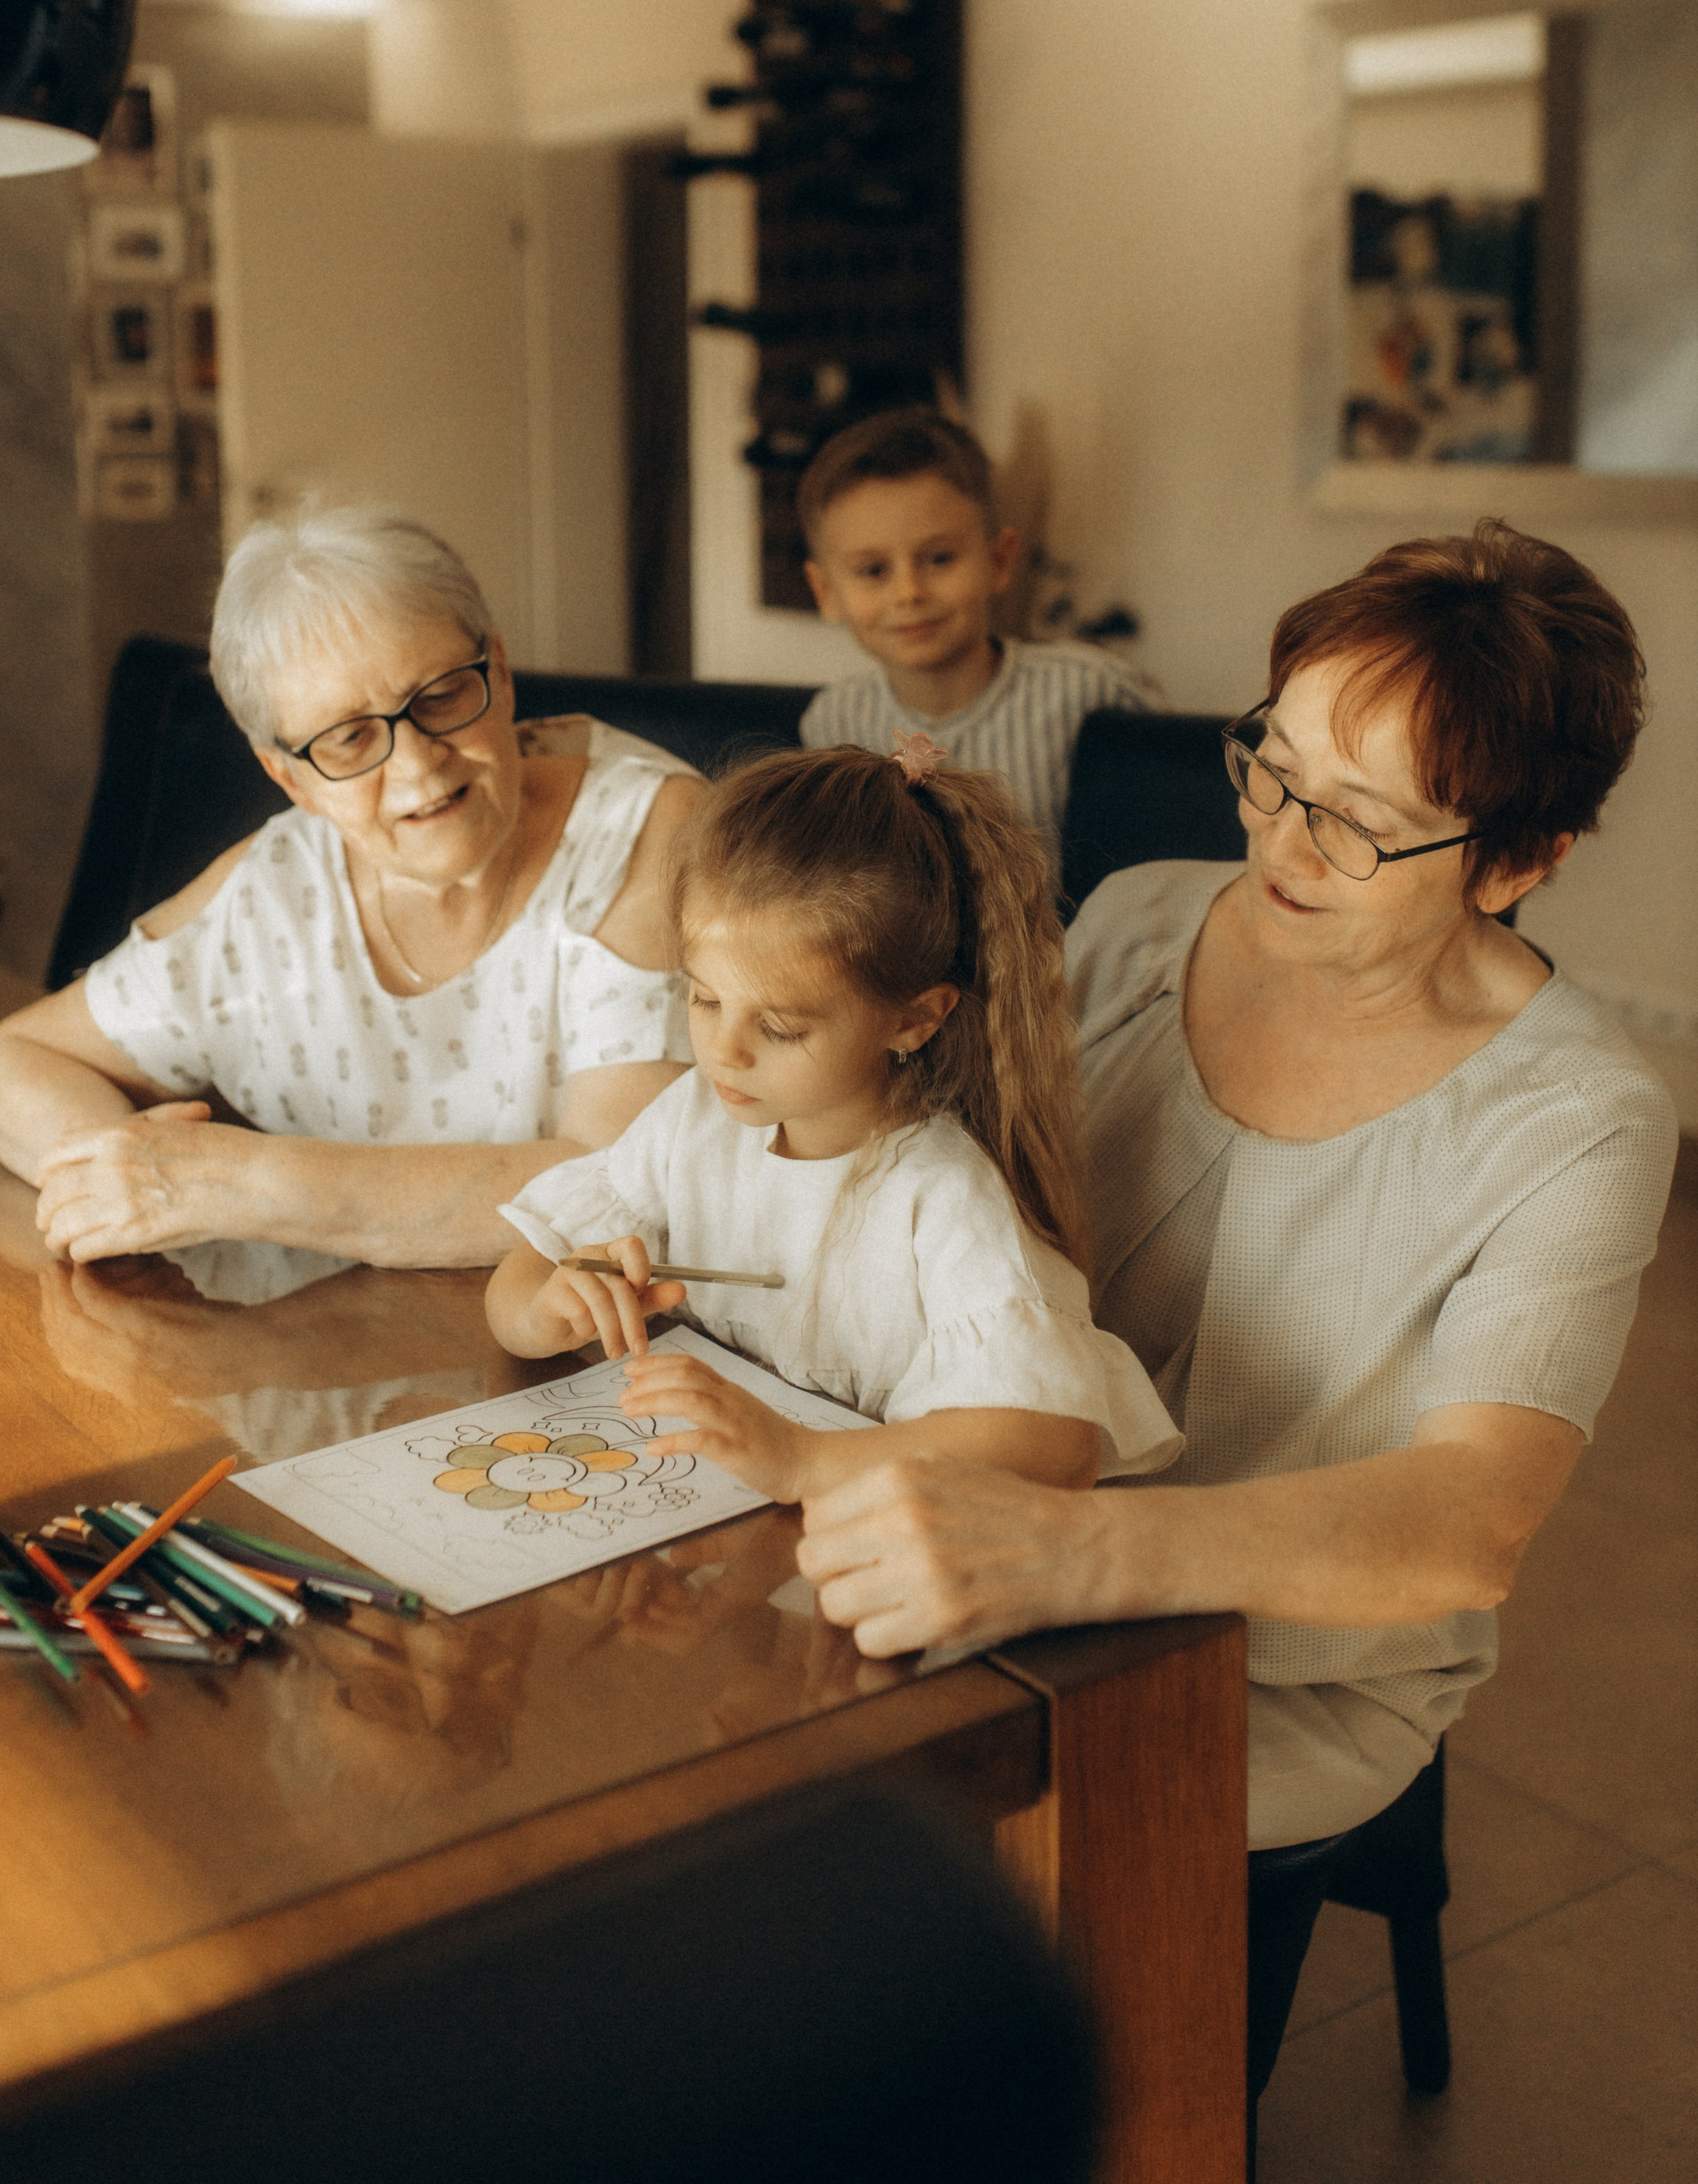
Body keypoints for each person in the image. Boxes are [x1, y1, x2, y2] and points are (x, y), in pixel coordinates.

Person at [793, 522, 1679, 2111]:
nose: (1277, 840)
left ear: (1520, 858)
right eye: (1271, 765)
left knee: (942, 1999)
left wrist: (1061, 1554)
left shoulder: (1579, 1119)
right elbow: (943, 1187)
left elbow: (1462, 1525)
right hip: (1002, 1529)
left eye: (1357, 824)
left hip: (1276, 1674)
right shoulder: (1139, 919)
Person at [0, 504, 704, 1268]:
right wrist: (125, 1176)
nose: (418, 765)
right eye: (351, 737)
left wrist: (235, 1182)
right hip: (337, 1352)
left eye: (442, 696)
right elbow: (18, 1057)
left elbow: (614, 1187)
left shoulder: (647, 832)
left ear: (503, 671)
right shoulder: (273, 891)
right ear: (289, 776)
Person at [486, 740, 1178, 1502]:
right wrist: (544, 1311)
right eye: (704, 998)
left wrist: (797, 1458)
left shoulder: (939, 1197)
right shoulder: (692, 1121)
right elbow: (527, 1264)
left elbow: (1049, 1450)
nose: (723, 1051)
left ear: (913, 1019)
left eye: (780, 1028)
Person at [796, 408, 1156, 857]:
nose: (909, 593)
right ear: (826, 592)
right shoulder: (830, 723)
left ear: (999, 562)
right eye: (873, 570)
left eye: (940, 559)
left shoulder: (1094, 692)